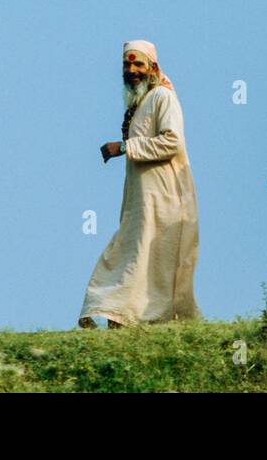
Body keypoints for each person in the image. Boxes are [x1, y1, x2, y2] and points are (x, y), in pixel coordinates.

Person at [78, 40, 201, 328]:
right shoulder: (140, 103)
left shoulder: (162, 98)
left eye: (138, 64)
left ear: (153, 68)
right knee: (133, 252)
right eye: (127, 65)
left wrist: (123, 148)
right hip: (141, 198)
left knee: (147, 257)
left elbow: (173, 141)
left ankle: (123, 314)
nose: (132, 70)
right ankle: (119, 313)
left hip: (165, 195)